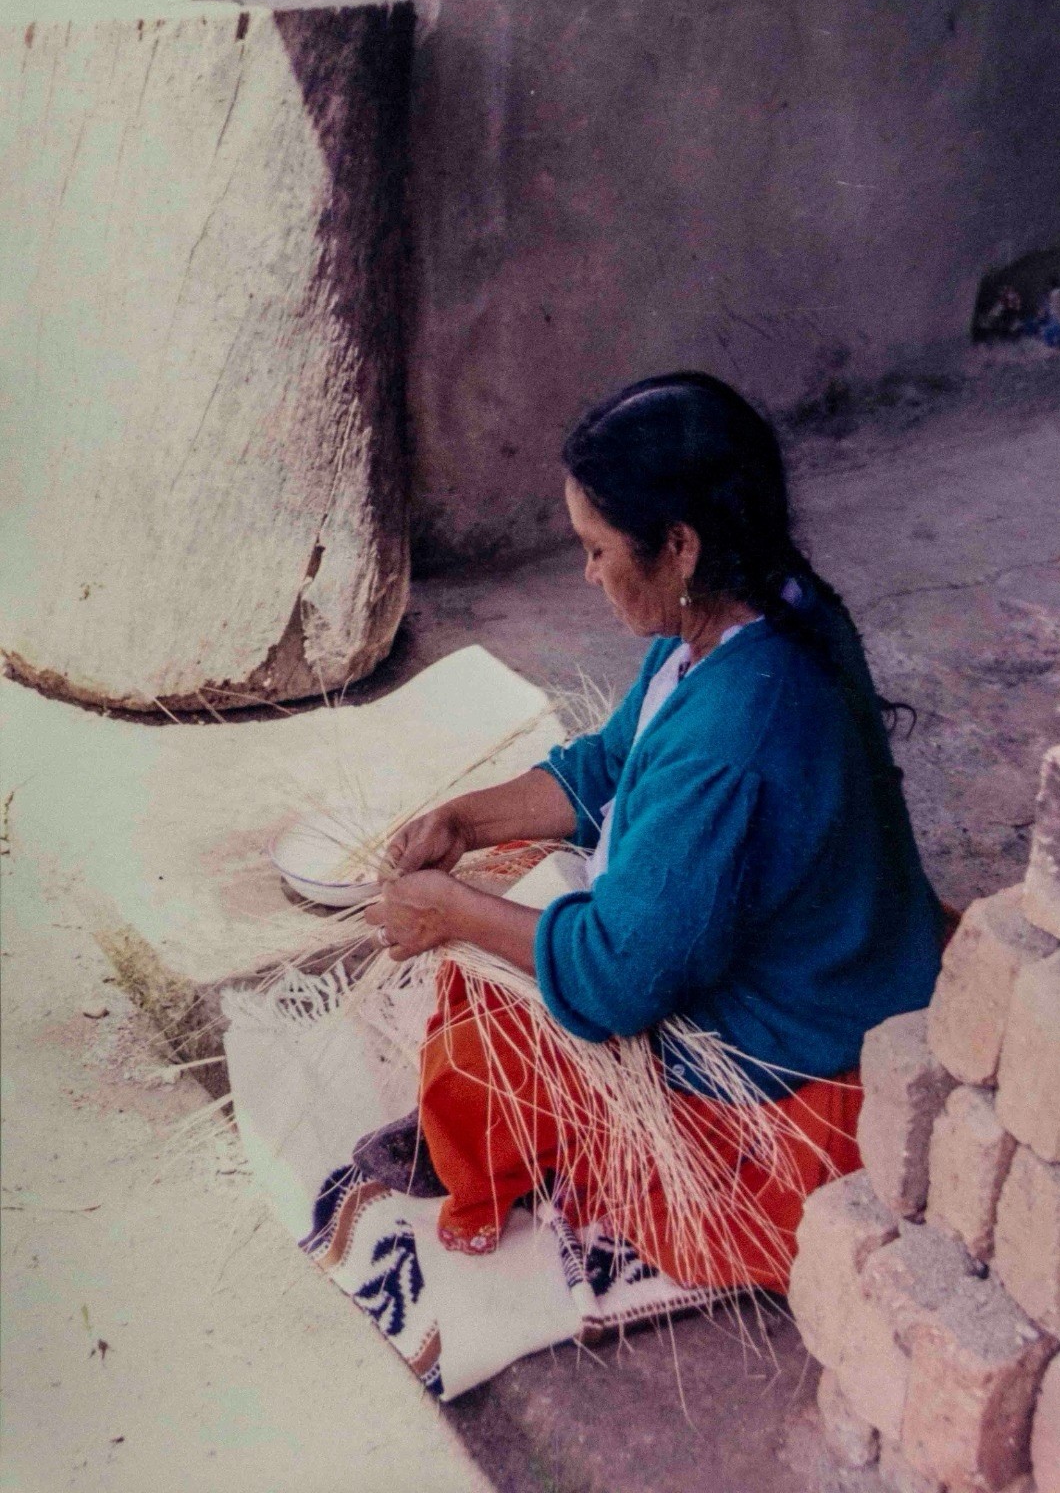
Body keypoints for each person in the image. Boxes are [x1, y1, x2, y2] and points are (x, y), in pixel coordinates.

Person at [363, 372, 944, 1290]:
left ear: (678, 546)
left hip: (795, 1054)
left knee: (489, 1022)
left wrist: (451, 916)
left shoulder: (732, 738)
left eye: (597, 550)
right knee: (516, 888)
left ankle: (489, 1156)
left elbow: (614, 980)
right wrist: (464, 822)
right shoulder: (752, 611)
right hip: (846, 954)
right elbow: (606, 767)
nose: (587, 574)